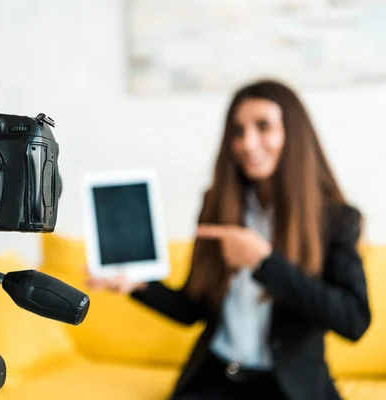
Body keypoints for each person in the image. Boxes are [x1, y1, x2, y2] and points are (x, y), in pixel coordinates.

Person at [87, 79, 370, 400]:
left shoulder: (335, 218)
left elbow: (354, 321)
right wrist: (139, 284)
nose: (247, 143)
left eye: (263, 127)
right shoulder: (217, 206)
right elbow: (193, 308)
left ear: (294, 134)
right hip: (216, 379)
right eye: (238, 131)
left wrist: (265, 263)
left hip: (288, 387)